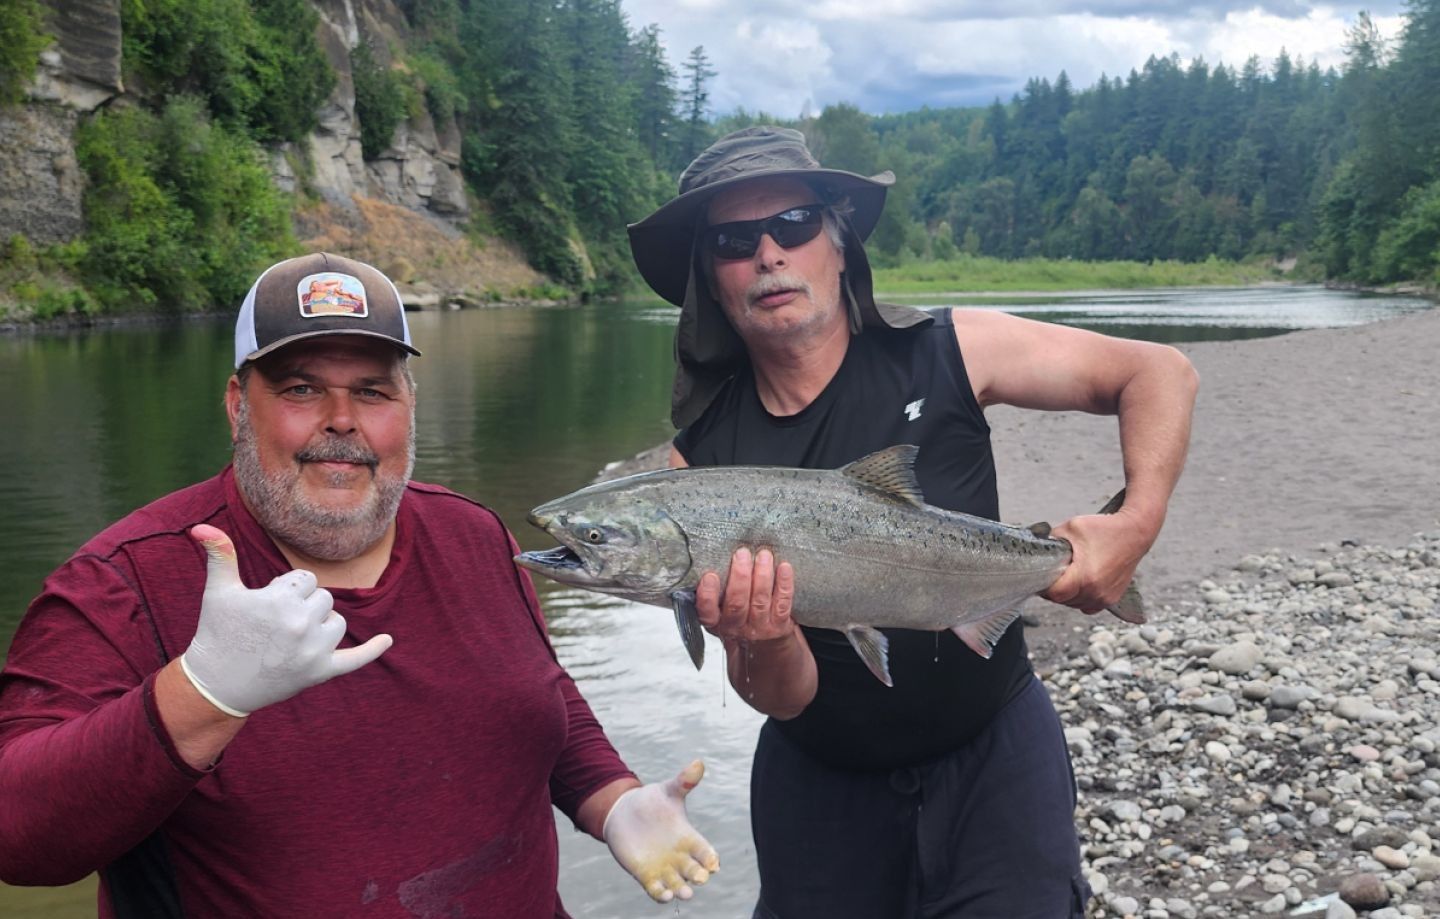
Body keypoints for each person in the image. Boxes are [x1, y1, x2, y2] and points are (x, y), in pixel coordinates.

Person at [0, 252, 719, 917]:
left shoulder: (474, 535)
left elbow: (535, 691)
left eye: (372, 389)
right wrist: (200, 693)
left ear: (409, 405)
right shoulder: (125, 580)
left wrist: (612, 798)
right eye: (301, 387)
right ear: (236, 403)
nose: (342, 421)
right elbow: (19, 837)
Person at [626, 126, 1199, 917]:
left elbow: (1159, 371)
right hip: (819, 788)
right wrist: (767, 640)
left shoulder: (949, 349)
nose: (768, 254)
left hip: (996, 760)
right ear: (710, 280)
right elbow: (782, 698)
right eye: (732, 241)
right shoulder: (699, 471)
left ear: (836, 237)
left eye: (791, 225)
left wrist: (1134, 525)